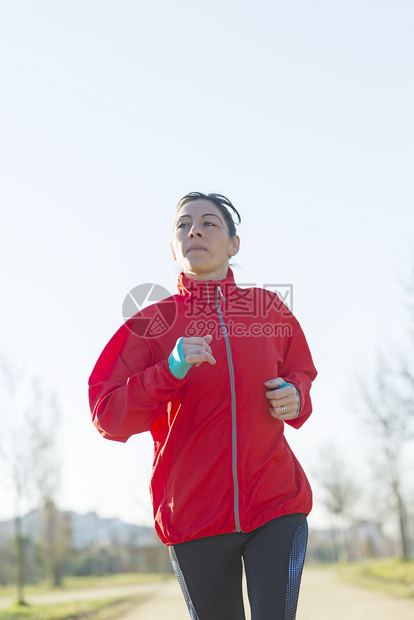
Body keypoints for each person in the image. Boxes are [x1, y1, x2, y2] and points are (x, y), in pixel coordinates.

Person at [88, 192, 317, 620]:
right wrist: (169, 370)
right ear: (173, 248)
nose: (195, 230)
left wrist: (296, 395)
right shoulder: (151, 323)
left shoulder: (267, 309)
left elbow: (301, 375)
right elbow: (107, 413)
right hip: (193, 514)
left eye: (210, 223)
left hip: (276, 502)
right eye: (183, 225)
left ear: (234, 244)